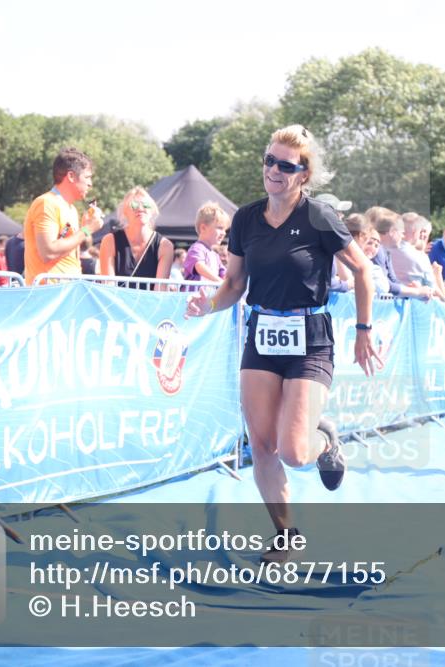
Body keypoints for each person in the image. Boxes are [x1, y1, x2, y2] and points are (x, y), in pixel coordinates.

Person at [186, 125, 380, 563]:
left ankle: (325, 441)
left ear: (303, 175)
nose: (273, 170)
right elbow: (235, 283)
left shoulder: (318, 218)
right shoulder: (246, 220)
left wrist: (364, 330)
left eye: (285, 165)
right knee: (262, 444)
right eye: (269, 160)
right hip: (262, 334)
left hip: (310, 339)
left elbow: (364, 271)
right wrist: (209, 305)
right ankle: (286, 534)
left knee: (294, 451)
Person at [24, 147, 104, 285]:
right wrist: (87, 230)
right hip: (48, 294)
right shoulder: (46, 203)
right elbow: (48, 252)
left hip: (67, 292)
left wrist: (84, 228)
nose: (90, 184)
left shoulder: (72, 209)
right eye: (87, 177)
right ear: (71, 176)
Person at [98, 186, 173, 290]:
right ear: (125, 212)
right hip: (117, 303)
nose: (140, 209)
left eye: (146, 205)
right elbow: (108, 286)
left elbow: (160, 291)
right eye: (134, 205)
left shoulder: (165, 246)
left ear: (152, 211)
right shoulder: (109, 241)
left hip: (150, 304)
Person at [182, 202, 230, 290]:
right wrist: (220, 282)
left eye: (225, 230)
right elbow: (199, 266)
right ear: (203, 228)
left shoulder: (215, 255)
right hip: (192, 299)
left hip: (207, 300)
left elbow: (224, 273)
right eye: (220, 228)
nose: (223, 233)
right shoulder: (196, 248)